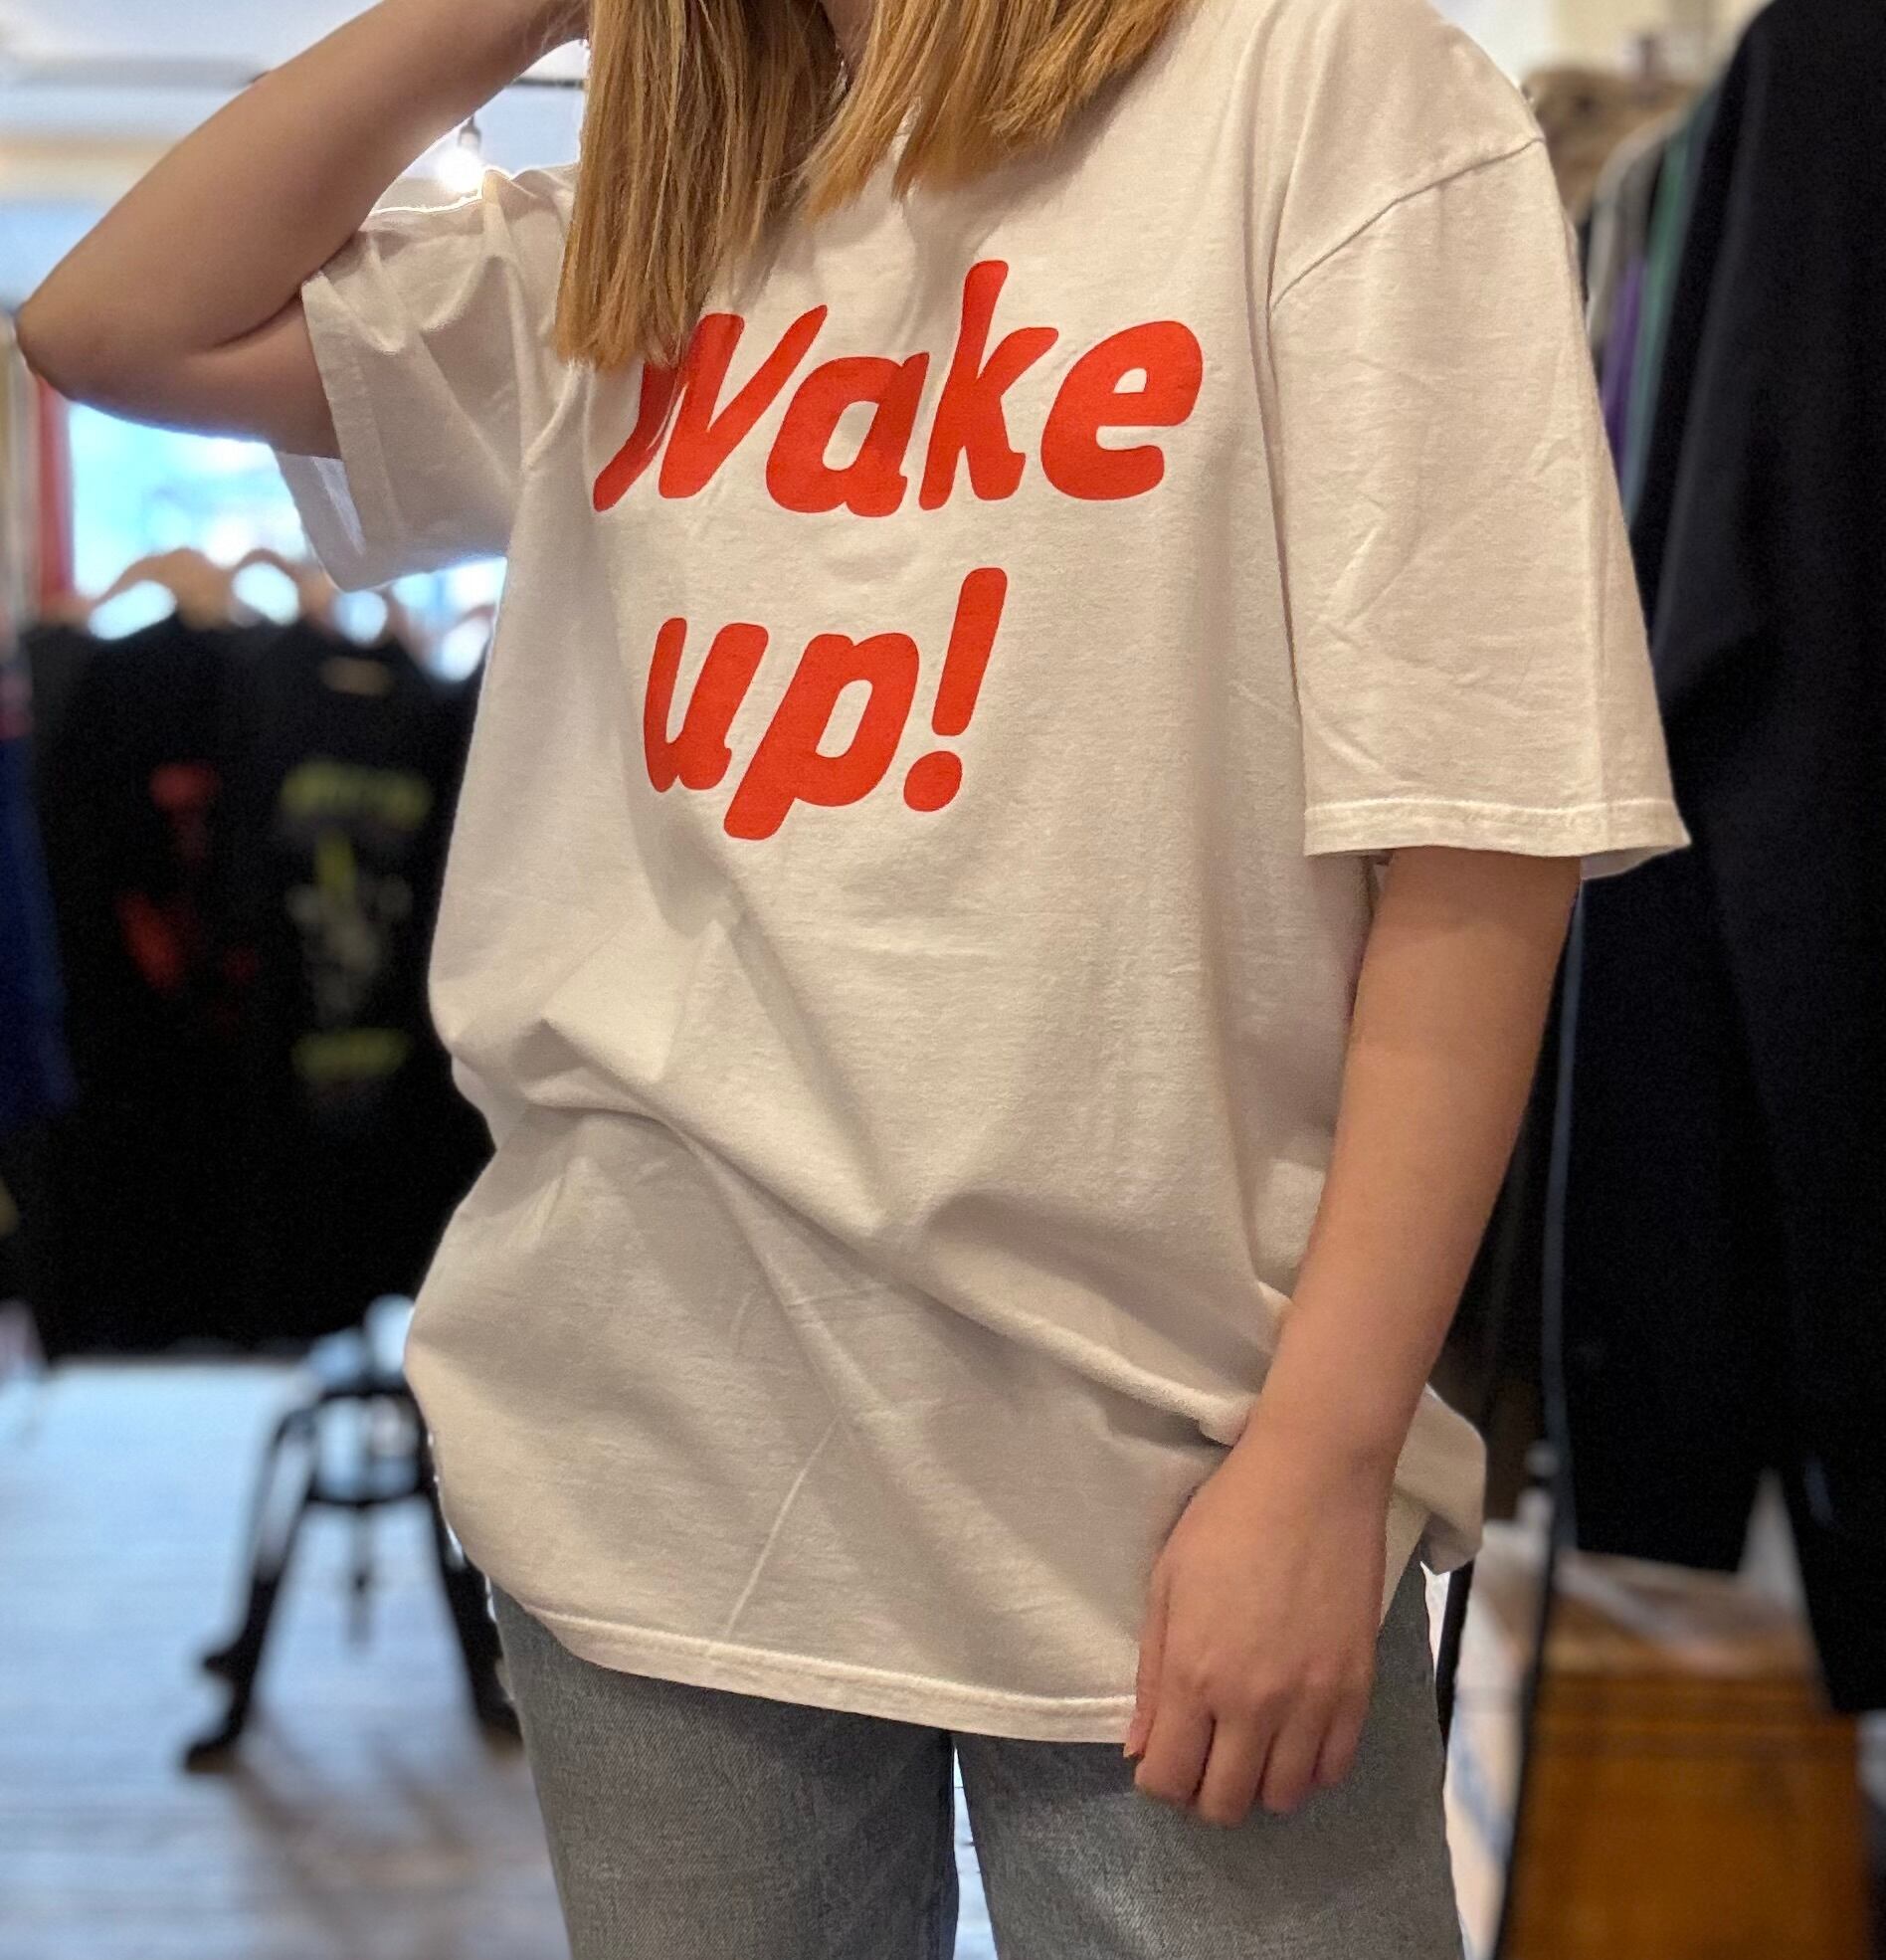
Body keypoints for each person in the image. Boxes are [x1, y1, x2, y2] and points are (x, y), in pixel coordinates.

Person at [20, 0, 1688, 1951]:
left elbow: (1482, 839)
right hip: (642, 1447)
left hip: (1165, 1465)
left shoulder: (1319, 84)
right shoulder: (642, 230)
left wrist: (1322, 1458)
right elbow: (112, 325)